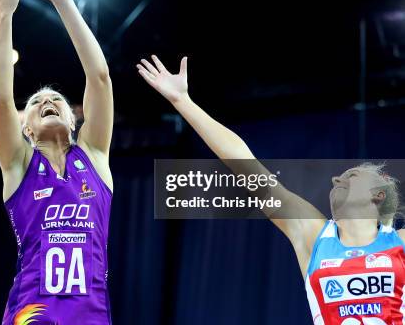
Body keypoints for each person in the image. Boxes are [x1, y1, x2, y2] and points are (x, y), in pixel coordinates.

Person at [137, 54, 403, 324]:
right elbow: (247, 166)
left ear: (377, 194)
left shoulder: (400, 242)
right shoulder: (314, 237)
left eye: (352, 175)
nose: (336, 179)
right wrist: (183, 102)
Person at [0, 0, 114, 325]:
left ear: (73, 120)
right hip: (31, 314)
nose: (47, 101)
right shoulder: (18, 165)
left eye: (56, 99)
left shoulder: (94, 156)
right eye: (37, 102)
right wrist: (4, 11)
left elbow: (100, 77)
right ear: (25, 128)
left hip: (90, 317)